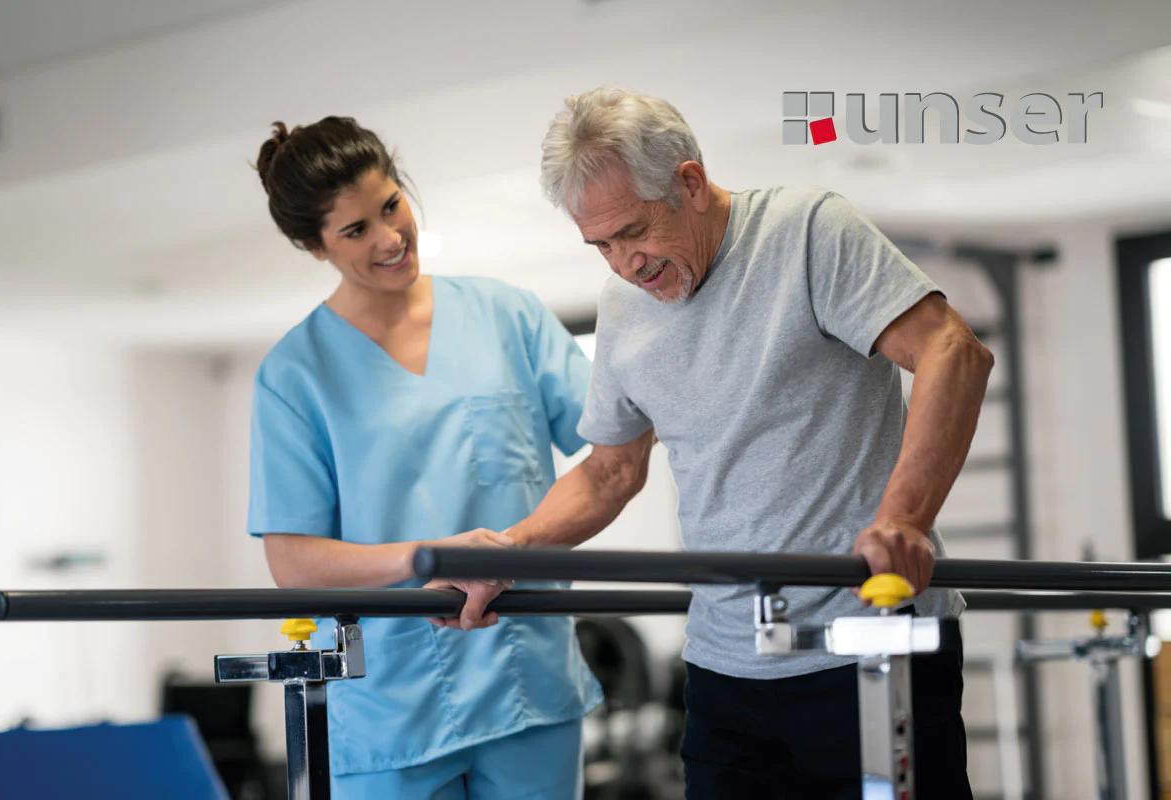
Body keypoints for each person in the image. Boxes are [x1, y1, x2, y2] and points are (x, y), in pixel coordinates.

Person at [439, 88, 991, 798]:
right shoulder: (623, 308)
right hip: (726, 672)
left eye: (635, 231)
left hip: (867, 644)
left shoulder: (804, 231)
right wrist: (511, 552)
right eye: (601, 244)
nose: (624, 264)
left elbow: (953, 351)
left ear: (690, 184)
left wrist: (904, 519)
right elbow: (610, 472)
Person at [248, 116, 601, 799]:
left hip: (525, 678)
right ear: (312, 244)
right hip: (389, 709)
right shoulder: (295, 374)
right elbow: (292, 561)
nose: (389, 238)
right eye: (355, 230)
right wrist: (429, 560)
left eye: (390, 205)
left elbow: (612, 452)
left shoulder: (507, 316)